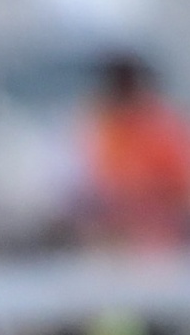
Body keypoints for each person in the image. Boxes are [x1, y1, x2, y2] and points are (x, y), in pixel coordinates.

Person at [76, 52, 190, 255]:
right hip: (116, 232)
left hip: (161, 230)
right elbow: (92, 182)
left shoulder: (159, 124)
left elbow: (177, 183)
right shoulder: (101, 123)